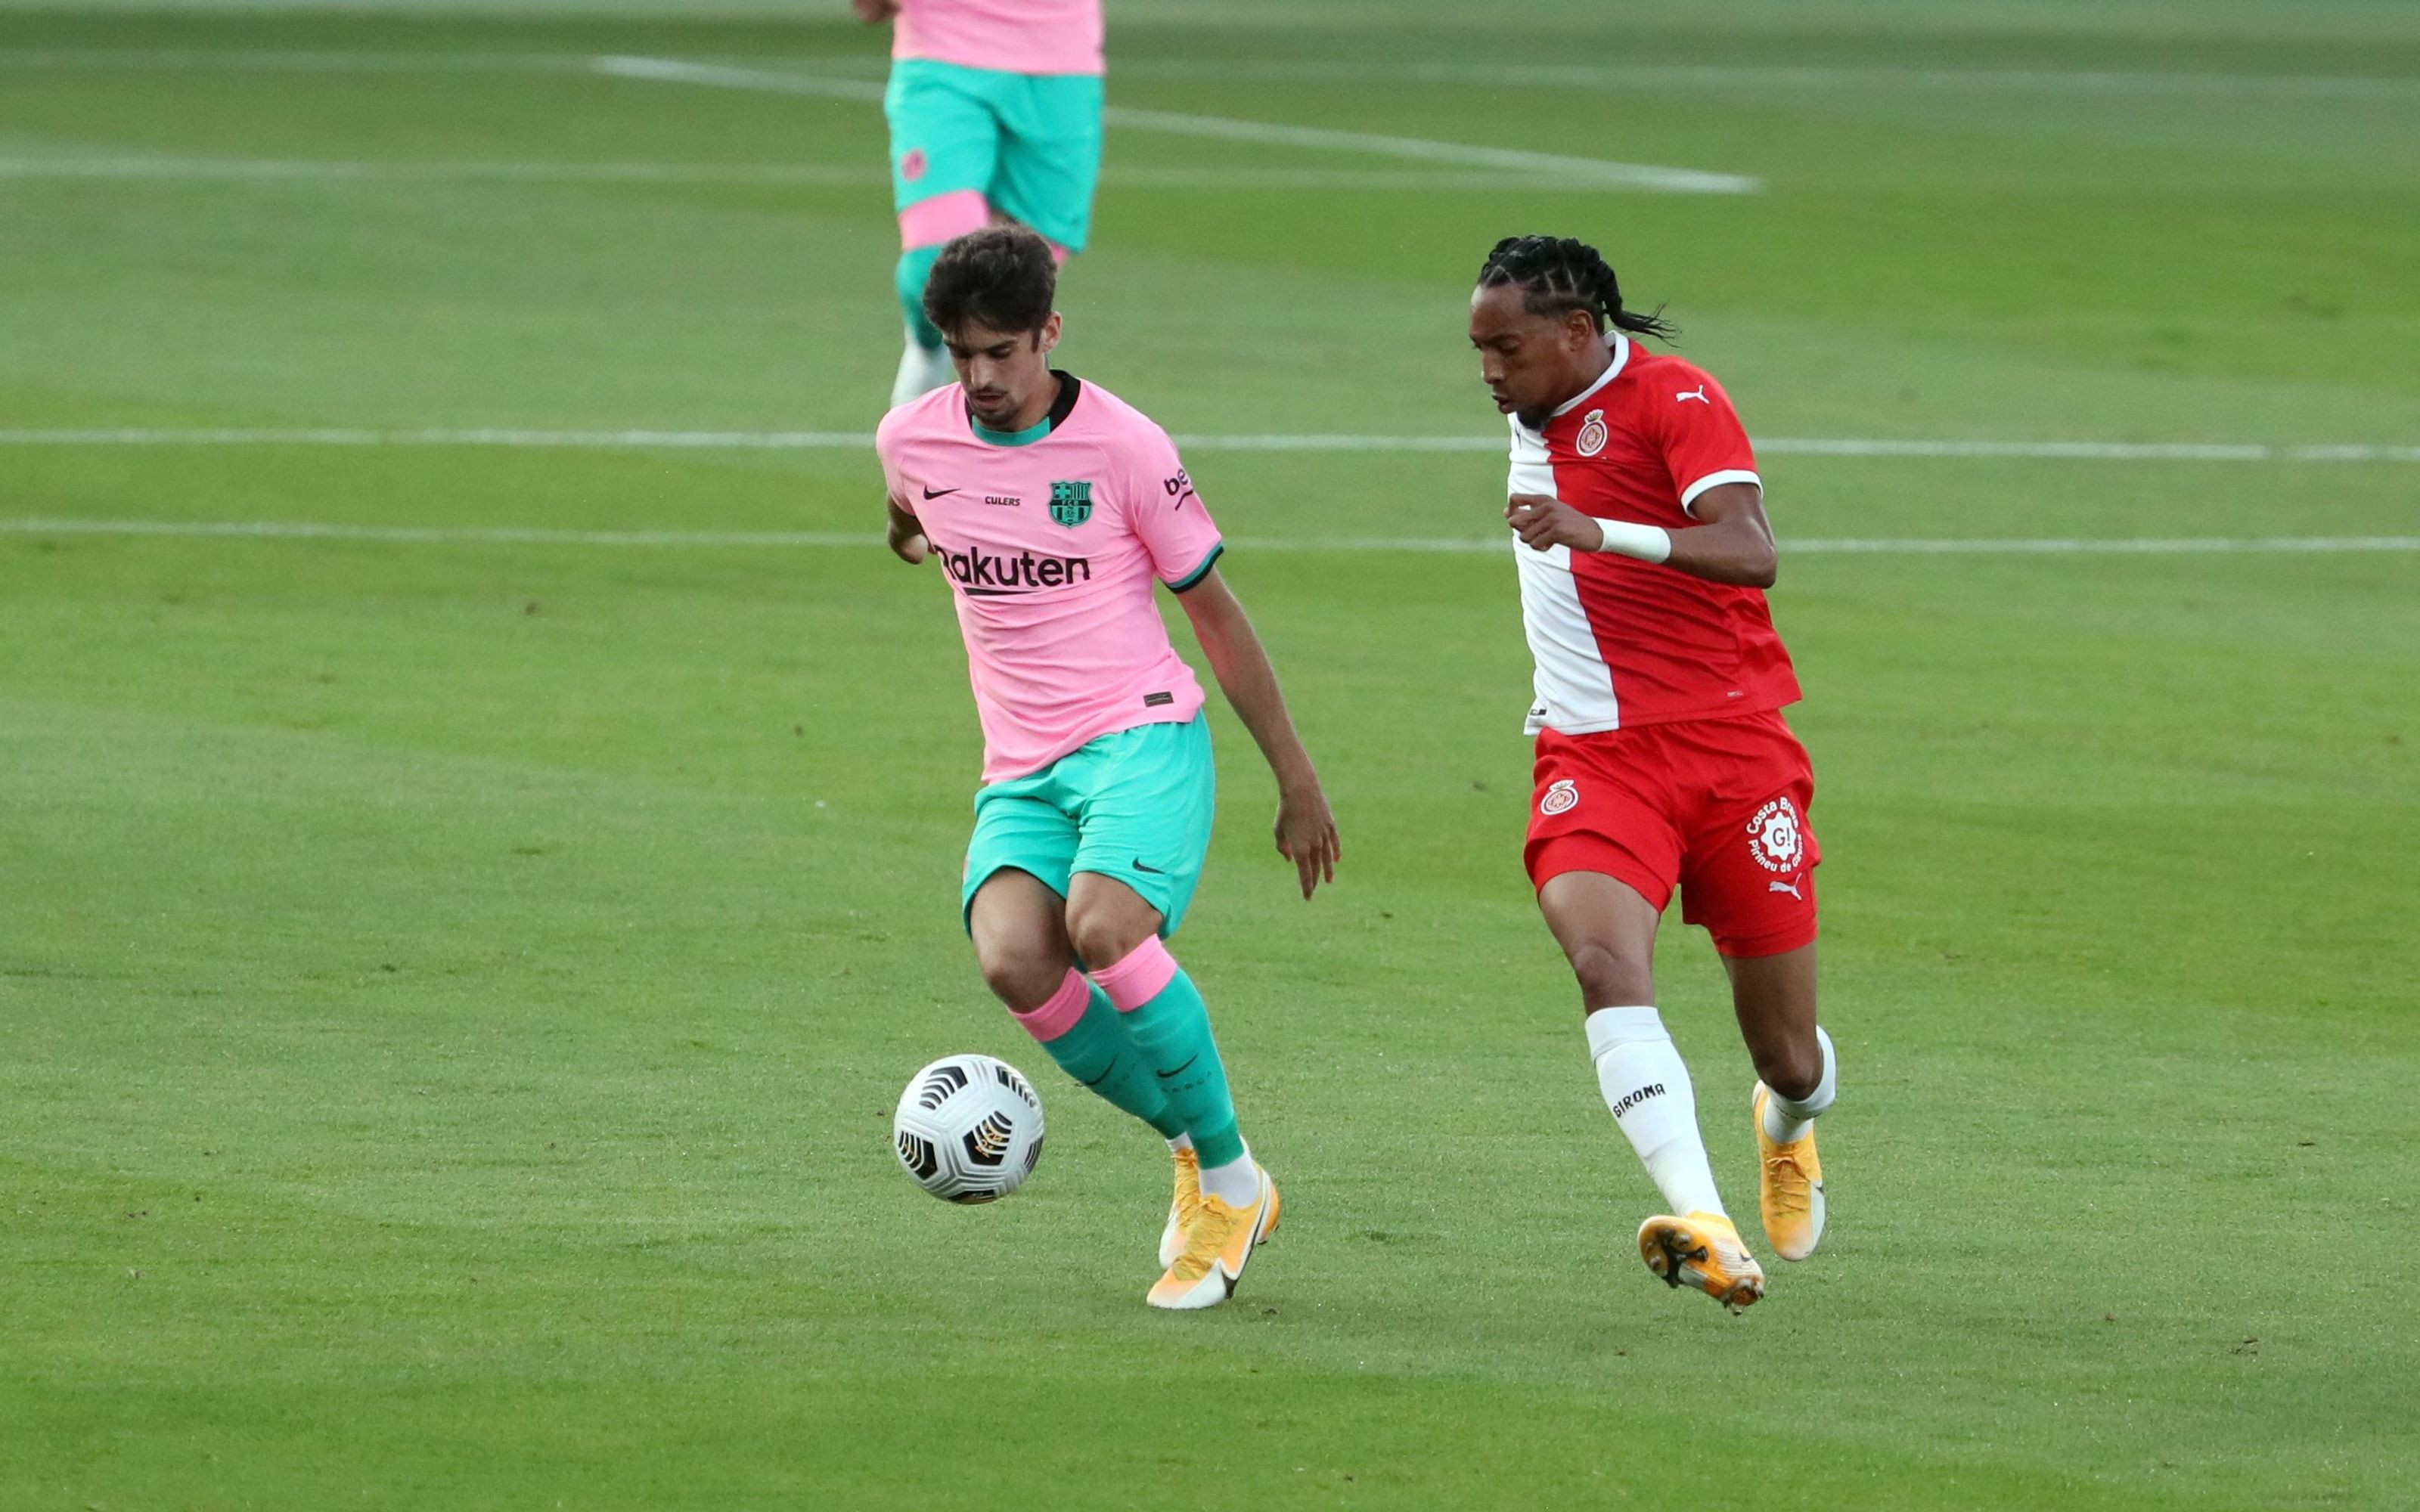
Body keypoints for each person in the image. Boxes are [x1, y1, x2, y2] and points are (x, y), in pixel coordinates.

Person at [876, 226, 1342, 1309]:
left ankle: (1226, 1184)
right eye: (960, 354)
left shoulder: (1128, 449)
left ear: (1049, 332)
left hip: (1142, 735)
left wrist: (1296, 779)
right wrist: (917, 539)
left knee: (1104, 928)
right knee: (1011, 960)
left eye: (1002, 351)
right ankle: (1203, 1150)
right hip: (1023, 768)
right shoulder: (913, 439)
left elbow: (1218, 621)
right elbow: (908, 517)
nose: (982, 378)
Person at [1468, 234, 1838, 1314]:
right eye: (1478, 349)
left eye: (1509, 348)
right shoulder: (1535, 408)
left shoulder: (1678, 398)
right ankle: (1706, 1221)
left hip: (1735, 752)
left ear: (1580, 334)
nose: (1489, 372)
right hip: (1595, 753)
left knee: (1786, 1052)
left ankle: (1790, 1124)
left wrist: (1601, 533)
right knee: (1601, 962)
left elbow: (1753, 549)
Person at [852, 0, 1107, 407]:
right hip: (943, 47)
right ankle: (929, 347)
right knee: (935, 260)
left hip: (1061, 55)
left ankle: (1014, 443)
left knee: (1027, 271)